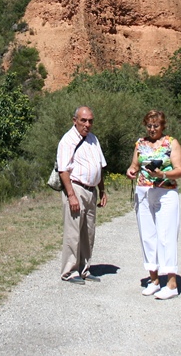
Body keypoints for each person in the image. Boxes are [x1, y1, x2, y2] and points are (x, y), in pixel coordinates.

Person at [127, 110, 181, 299]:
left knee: (166, 236)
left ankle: (172, 283)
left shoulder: (171, 143)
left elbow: (179, 170)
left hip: (165, 191)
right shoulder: (140, 144)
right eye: (149, 126)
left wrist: (162, 175)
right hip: (143, 192)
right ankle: (154, 280)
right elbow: (135, 165)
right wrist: (131, 170)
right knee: (147, 235)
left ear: (163, 126)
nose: (152, 129)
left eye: (156, 126)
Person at [56, 106, 108, 285]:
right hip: (76, 188)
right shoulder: (68, 140)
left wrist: (102, 190)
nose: (87, 124)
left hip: (91, 190)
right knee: (73, 232)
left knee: (88, 231)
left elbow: (100, 166)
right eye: (83, 120)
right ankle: (70, 271)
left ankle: (85, 269)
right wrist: (71, 195)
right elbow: (63, 170)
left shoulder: (93, 139)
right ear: (74, 120)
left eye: (90, 121)